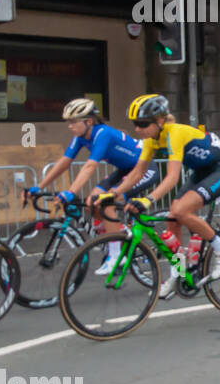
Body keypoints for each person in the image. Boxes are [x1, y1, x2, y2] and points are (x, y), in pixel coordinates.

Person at [112, 94, 220, 297]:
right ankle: (178, 273)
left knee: (180, 210)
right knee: (172, 220)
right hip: (200, 173)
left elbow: (172, 177)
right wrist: (113, 193)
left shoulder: (174, 133)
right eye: (135, 124)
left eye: (142, 124)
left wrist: (148, 200)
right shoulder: (151, 140)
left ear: (159, 121)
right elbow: (137, 172)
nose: (137, 129)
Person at [24, 98, 160, 275]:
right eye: (68, 122)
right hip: (125, 169)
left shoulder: (102, 133)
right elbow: (64, 162)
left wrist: (71, 192)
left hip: (144, 169)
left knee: (106, 202)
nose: (69, 126)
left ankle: (116, 255)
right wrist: (39, 186)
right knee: (91, 201)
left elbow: (90, 166)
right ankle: (119, 235)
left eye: (73, 122)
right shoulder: (80, 137)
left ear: (88, 121)